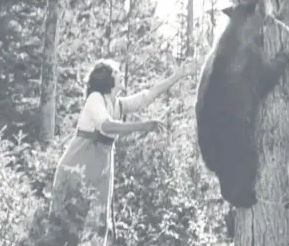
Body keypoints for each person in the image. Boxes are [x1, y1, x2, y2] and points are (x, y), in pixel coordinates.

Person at [47, 58, 194, 246]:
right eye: (117, 72)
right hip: (78, 165)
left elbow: (148, 95)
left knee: (95, 225)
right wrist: (142, 126)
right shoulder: (95, 98)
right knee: (68, 225)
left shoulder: (117, 104)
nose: (120, 74)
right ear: (108, 79)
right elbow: (106, 125)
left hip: (99, 169)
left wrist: (178, 75)